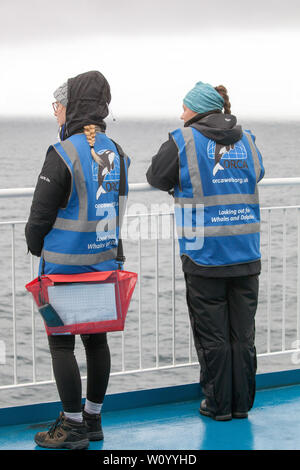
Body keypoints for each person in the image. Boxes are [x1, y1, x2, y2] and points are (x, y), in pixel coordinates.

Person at [146, 81, 264, 421]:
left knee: (212, 335)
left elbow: (156, 176)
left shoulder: (183, 139)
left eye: (184, 107)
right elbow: (257, 173)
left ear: (197, 109)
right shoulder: (248, 139)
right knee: (242, 335)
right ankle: (241, 404)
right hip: (245, 252)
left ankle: (218, 405)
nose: (180, 113)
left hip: (205, 255)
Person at [25, 70, 130, 449]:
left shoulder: (62, 153)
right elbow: (118, 209)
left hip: (63, 270)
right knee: (96, 341)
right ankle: (93, 419)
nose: (55, 113)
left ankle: (70, 427)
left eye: (57, 106)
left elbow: (39, 217)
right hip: (103, 264)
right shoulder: (115, 151)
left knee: (62, 345)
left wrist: (34, 244)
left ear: (71, 108)